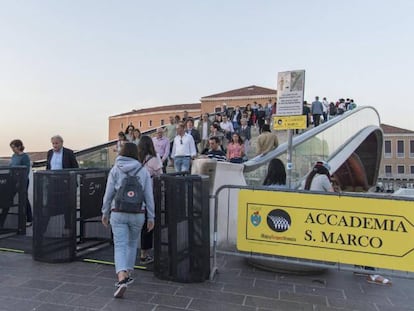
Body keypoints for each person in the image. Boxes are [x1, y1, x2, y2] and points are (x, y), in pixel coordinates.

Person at [101, 142, 155, 298]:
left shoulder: (115, 169)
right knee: (132, 243)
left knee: (120, 245)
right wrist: (151, 216)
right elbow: (148, 196)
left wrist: (105, 212)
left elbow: (108, 193)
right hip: (138, 213)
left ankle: (122, 277)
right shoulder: (143, 170)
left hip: (118, 212)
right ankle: (128, 272)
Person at [137, 136, 162, 265]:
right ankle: (144, 253)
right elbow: (160, 175)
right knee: (148, 223)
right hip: (149, 195)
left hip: (135, 196)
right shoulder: (154, 159)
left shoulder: (135, 159)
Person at [8, 139, 32, 226]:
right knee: (8, 198)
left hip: (22, 181)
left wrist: (21, 181)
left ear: (19, 146)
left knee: (24, 199)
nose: (12, 149)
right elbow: (11, 166)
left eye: (14, 147)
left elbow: (26, 170)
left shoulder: (25, 157)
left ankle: (29, 219)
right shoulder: (14, 156)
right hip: (13, 181)